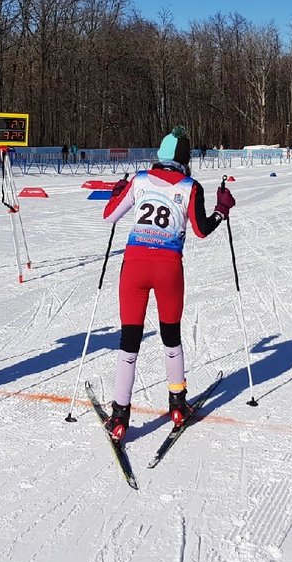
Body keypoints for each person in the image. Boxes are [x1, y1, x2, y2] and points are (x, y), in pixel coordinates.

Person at [100, 126, 235, 441]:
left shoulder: (140, 180)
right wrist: (221, 209)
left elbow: (109, 216)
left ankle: (120, 416)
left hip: (133, 268)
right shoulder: (191, 186)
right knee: (171, 338)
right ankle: (177, 404)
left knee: (129, 342)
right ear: (186, 159)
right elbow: (201, 230)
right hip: (169, 269)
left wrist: (119, 190)